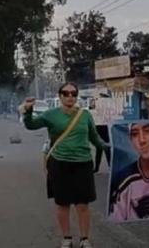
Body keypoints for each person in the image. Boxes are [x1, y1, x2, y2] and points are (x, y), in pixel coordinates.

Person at [21, 82, 105, 248]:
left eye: (73, 94)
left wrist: (112, 147)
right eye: (66, 94)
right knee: (63, 203)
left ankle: (84, 239)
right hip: (59, 164)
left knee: (82, 204)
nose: (70, 97)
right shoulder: (51, 115)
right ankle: (66, 238)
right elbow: (31, 125)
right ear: (60, 96)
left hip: (83, 164)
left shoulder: (85, 115)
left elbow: (95, 139)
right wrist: (28, 111)